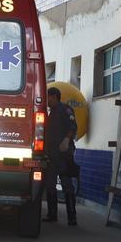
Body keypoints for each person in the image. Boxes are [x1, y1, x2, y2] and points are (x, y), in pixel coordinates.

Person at [43, 86, 78, 226]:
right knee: (50, 185)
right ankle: (52, 215)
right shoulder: (51, 113)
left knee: (67, 186)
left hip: (64, 155)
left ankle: (72, 217)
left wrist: (67, 139)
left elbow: (72, 127)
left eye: (48, 97)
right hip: (52, 155)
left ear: (54, 96)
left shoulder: (66, 110)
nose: (47, 100)